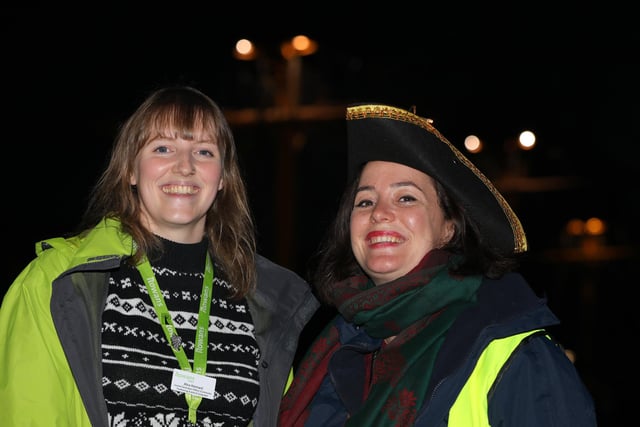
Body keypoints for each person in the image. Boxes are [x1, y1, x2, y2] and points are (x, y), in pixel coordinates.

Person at [0, 85, 319, 427]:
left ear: (223, 177)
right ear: (131, 171)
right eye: (163, 148)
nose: (185, 167)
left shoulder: (260, 298)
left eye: (204, 152)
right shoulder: (60, 282)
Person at [278, 103, 597, 426]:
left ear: (449, 228)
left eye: (406, 198)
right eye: (365, 201)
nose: (379, 213)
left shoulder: (518, 358)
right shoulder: (325, 357)